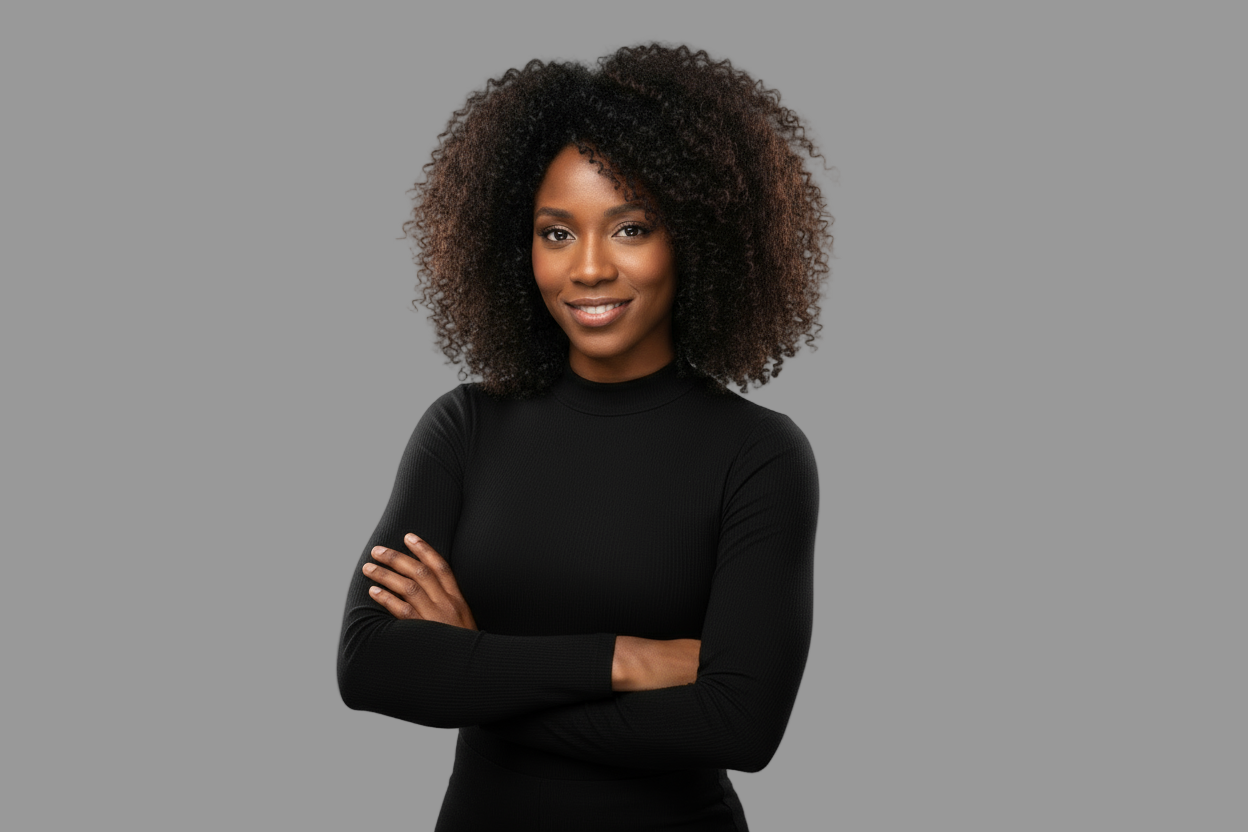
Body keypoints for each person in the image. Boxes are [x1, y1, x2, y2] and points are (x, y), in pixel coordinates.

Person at [337, 43, 831, 831]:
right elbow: (369, 665)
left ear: (695, 239)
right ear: (516, 246)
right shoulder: (466, 426)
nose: (589, 269)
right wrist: (626, 660)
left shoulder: (758, 454)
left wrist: (476, 666)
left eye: (631, 228)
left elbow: (740, 724)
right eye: (556, 233)